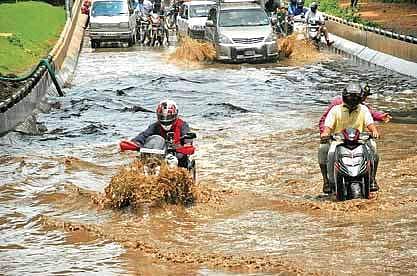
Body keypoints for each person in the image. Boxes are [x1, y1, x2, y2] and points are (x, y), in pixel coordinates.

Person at [318, 83, 380, 194]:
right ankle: (327, 181)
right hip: (339, 140)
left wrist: (374, 131)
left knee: (373, 147)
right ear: (345, 96)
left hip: (360, 140)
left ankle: (372, 179)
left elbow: (370, 123)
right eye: (351, 97)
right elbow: (328, 126)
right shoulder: (335, 109)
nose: (353, 99)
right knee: (326, 150)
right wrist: (325, 133)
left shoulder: (364, 109)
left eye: (355, 97)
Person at [131, 99, 192, 168]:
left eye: (169, 117)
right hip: (158, 153)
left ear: (175, 115)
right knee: (138, 162)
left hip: (177, 153)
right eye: (162, 117)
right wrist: (135, 143)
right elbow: (144, 135)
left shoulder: (182, 125)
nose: (165, 120)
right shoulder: (155, 126)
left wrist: (187, 144)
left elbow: (188, 138)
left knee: (181, 157)